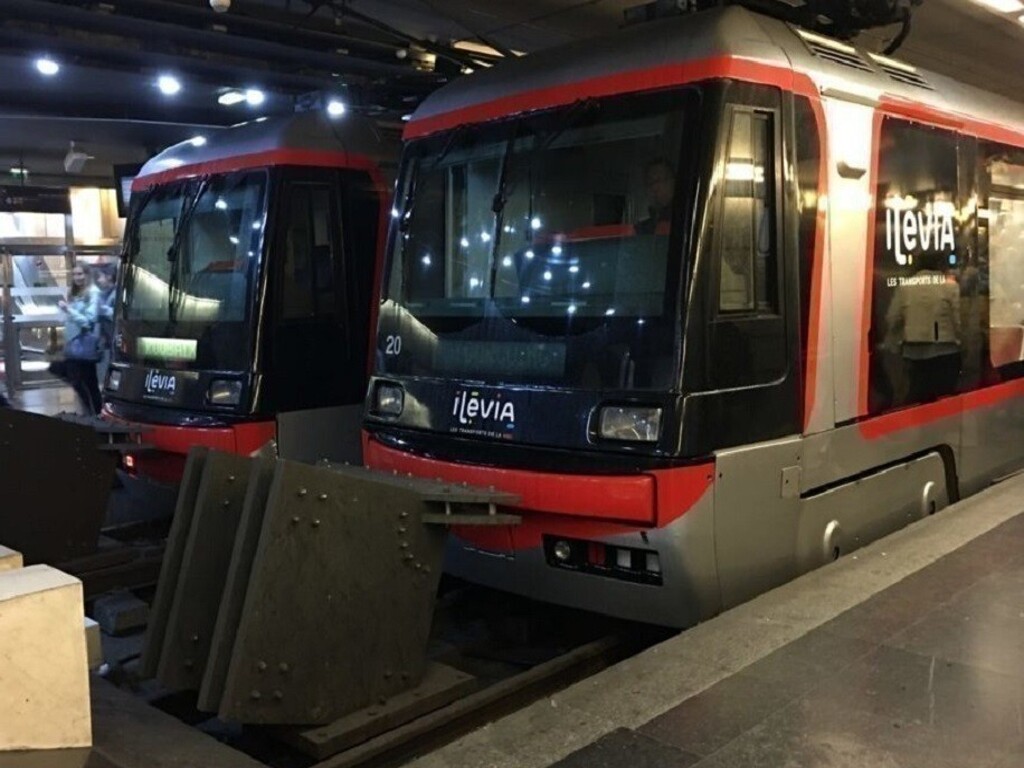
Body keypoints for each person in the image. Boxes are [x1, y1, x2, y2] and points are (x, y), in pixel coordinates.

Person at [885, 248, 961, 403]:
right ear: (940, 263)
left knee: (919, 396)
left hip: (914, 352)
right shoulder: (950, 285)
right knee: (945, 396)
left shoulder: (906, 286)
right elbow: (958, 320)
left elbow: (892, 318)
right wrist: (962, 341)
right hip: (945, 350)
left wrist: (897, 340)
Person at [55, 262, 102, 415]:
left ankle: (96, 414)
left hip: (84, 345)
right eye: (74, 274)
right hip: (73, 344)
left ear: (87, 275)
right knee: (81, 382)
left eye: (80, 274)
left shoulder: (93, 292)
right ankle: (92, 413)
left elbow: (89, 320)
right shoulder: (75, 293)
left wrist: (68, 309)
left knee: (88, 383)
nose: (77, 278)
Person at [635, 158, 674, 235]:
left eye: (659, 180)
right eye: (650, 182)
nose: (654, 187)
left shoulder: (686, 219)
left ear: (672, 182)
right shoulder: (642, 229)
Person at [94, 263, 116, 389]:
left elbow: (117, 314)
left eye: (101, 276)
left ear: (109, 277)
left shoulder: (117, 293)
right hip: (104, 342)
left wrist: (102, 309)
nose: (99, 280)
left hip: (111, 341)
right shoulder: (103, 294)